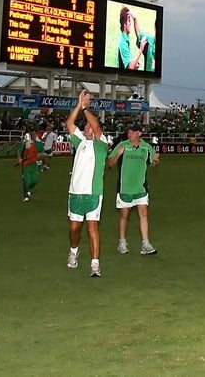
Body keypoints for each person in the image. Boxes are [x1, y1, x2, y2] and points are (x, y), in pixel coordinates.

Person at [66, 90, 109, 277]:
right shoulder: (80, 142)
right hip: (75, 192)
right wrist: (78, 106)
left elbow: (97, 126)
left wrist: (86, 109)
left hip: (93, 193)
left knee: (92, 227)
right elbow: (69, 124)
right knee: (74, 228)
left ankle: (95, 264)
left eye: (89, 127)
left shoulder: (102, 143)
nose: (87, 129)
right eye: (86, 127)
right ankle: (74, 251)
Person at [107, 122, 160, 255]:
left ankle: (145, 243)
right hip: (125, 187)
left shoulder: (146, 147)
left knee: (143, 213)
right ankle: (122, 242)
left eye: (132, 132)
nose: (129, 134)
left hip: (141, 187)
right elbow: (110, 164)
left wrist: (156, 161)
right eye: (128, 132)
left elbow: (153, 163)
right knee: (125, 215)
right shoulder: (122, 145)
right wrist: (118, 154)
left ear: (139, 133)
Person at [17, 127, 41, 202]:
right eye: (32, 134)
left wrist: (40, 156)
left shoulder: (38, 144)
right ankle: (25, 195)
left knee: (35, 180)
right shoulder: (26, 143)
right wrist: (20, 159)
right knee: (26, 180)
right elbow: (19, 151)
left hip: (34, 164)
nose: (34, 135)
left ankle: (29, 189)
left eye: (35, 134)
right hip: (26, 164)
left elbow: (42, 152)